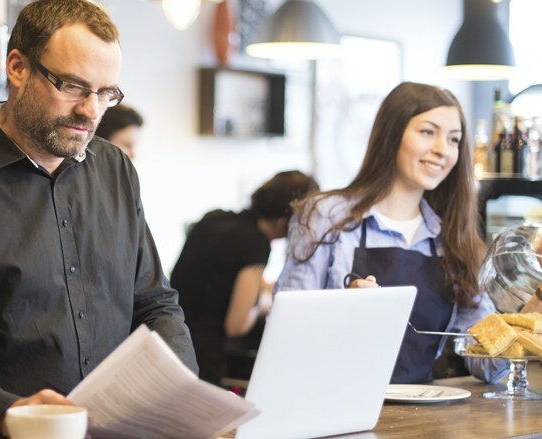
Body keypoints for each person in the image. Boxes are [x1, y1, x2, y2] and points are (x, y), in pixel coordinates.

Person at [0, 0, 197, 436]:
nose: (91, 111)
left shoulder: (116, 170)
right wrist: (11, 412)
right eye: (74, 86)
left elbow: (154, 303)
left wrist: (184, 392)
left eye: (105, 93)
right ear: (17, 68)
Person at [274, 82, 508, 384]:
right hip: (331, 410)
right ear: (392, 134)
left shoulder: (452, 240)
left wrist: (532, 313)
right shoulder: (327, 215)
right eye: (427, 132)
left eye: (454, 140)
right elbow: (285, 329)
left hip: (419, 417)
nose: (442, 150)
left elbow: (490, 364)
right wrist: (342, 311)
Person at [172, 170, 318, 386]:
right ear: (285, 221)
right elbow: (237, 325)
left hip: (169, 341)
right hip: (202, 361)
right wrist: (263, 302)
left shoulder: (214, 217)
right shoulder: (256, 244)